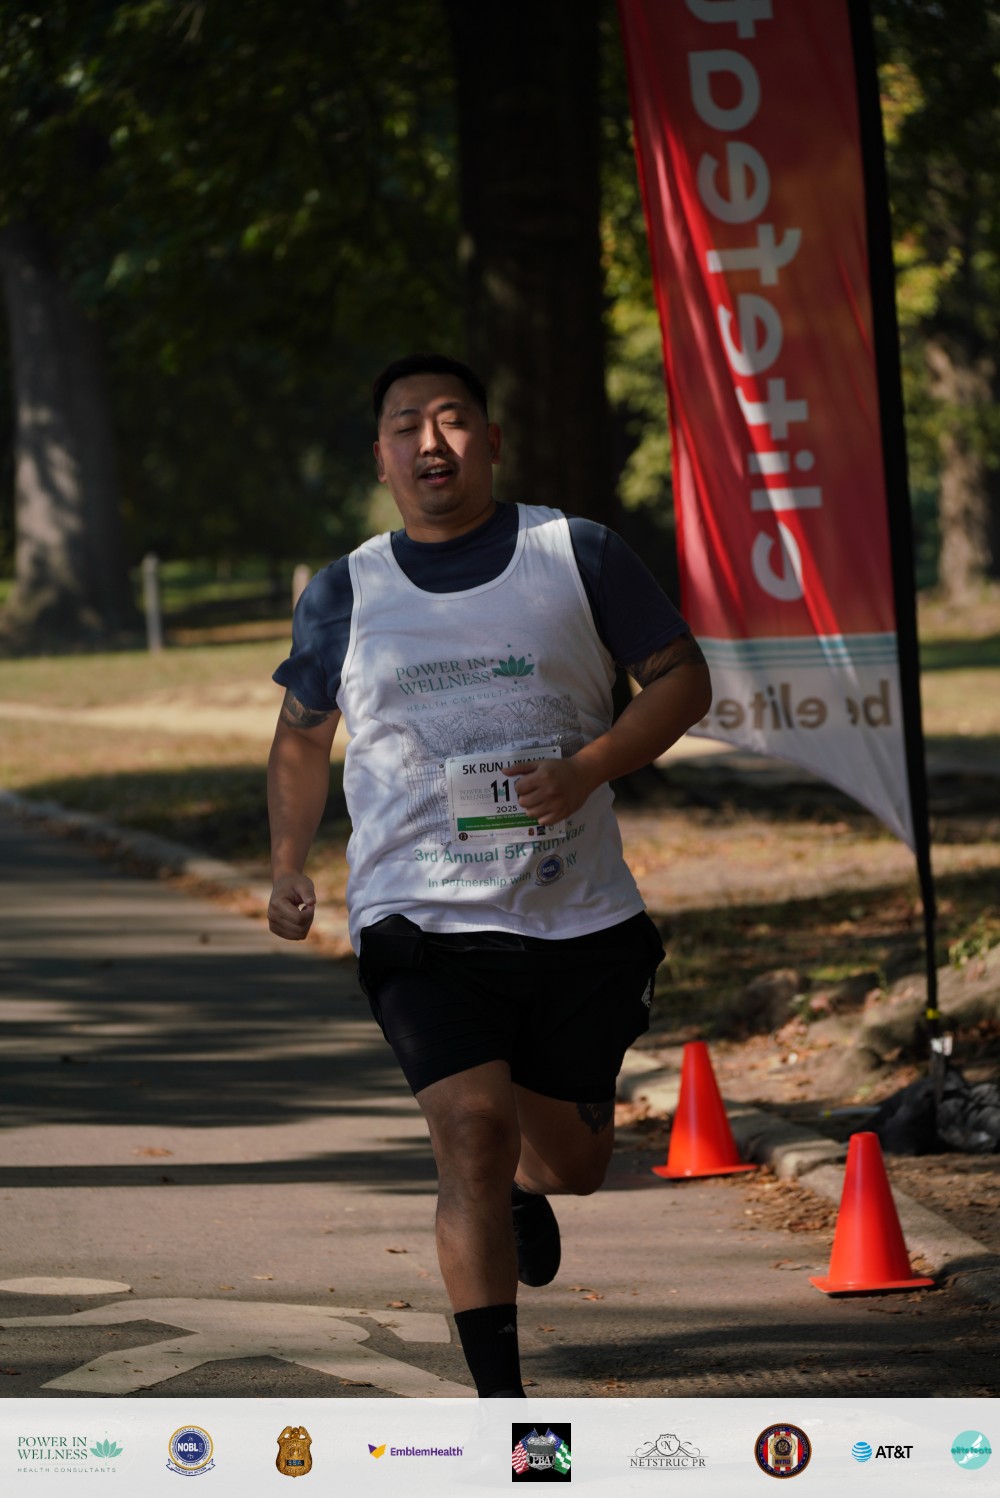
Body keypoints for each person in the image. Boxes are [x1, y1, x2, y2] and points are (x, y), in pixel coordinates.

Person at [267, 352, 712, 1398]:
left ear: (492, 441)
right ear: (380, 457)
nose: (431, 441)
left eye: (453, 418)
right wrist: (287, 861)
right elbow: (301, 735)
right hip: (418, 914)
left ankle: (524, 1181)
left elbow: (683, 680)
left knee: (574, 1167)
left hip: (576, 911)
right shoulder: (345, 591)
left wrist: (587, 767)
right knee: (469, 1130)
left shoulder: (579, 553)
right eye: (406, 425)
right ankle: (506, 1424)